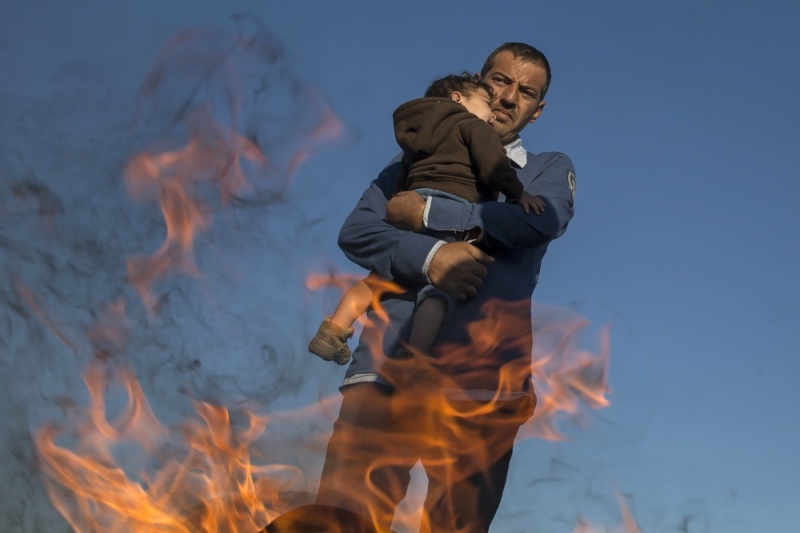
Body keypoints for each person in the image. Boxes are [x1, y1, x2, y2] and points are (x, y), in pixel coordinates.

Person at [315, 43, 577, 533]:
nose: (508, 97)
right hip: (385, 372)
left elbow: (541, 222)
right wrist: (432, 257)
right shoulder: (414, 160)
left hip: (484, 386)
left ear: (537, 111)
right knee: (340, 521)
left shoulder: (545, 168)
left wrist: (431, 213)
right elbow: (359, 231)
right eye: (499, 81)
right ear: (478, 82)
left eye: (525, 92)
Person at [307, 73, 544, 367]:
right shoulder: (472, 125)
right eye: (486, 102)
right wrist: (518, 193)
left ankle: (333, 329)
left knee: (377, 280)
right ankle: (416, 357)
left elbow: (404, 176)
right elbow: (493, 166)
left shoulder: (417, 135)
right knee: (438, 291)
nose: (492, 112)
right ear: (458, 99)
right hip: (450, 207)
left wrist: (399, 203)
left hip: (412, 203)